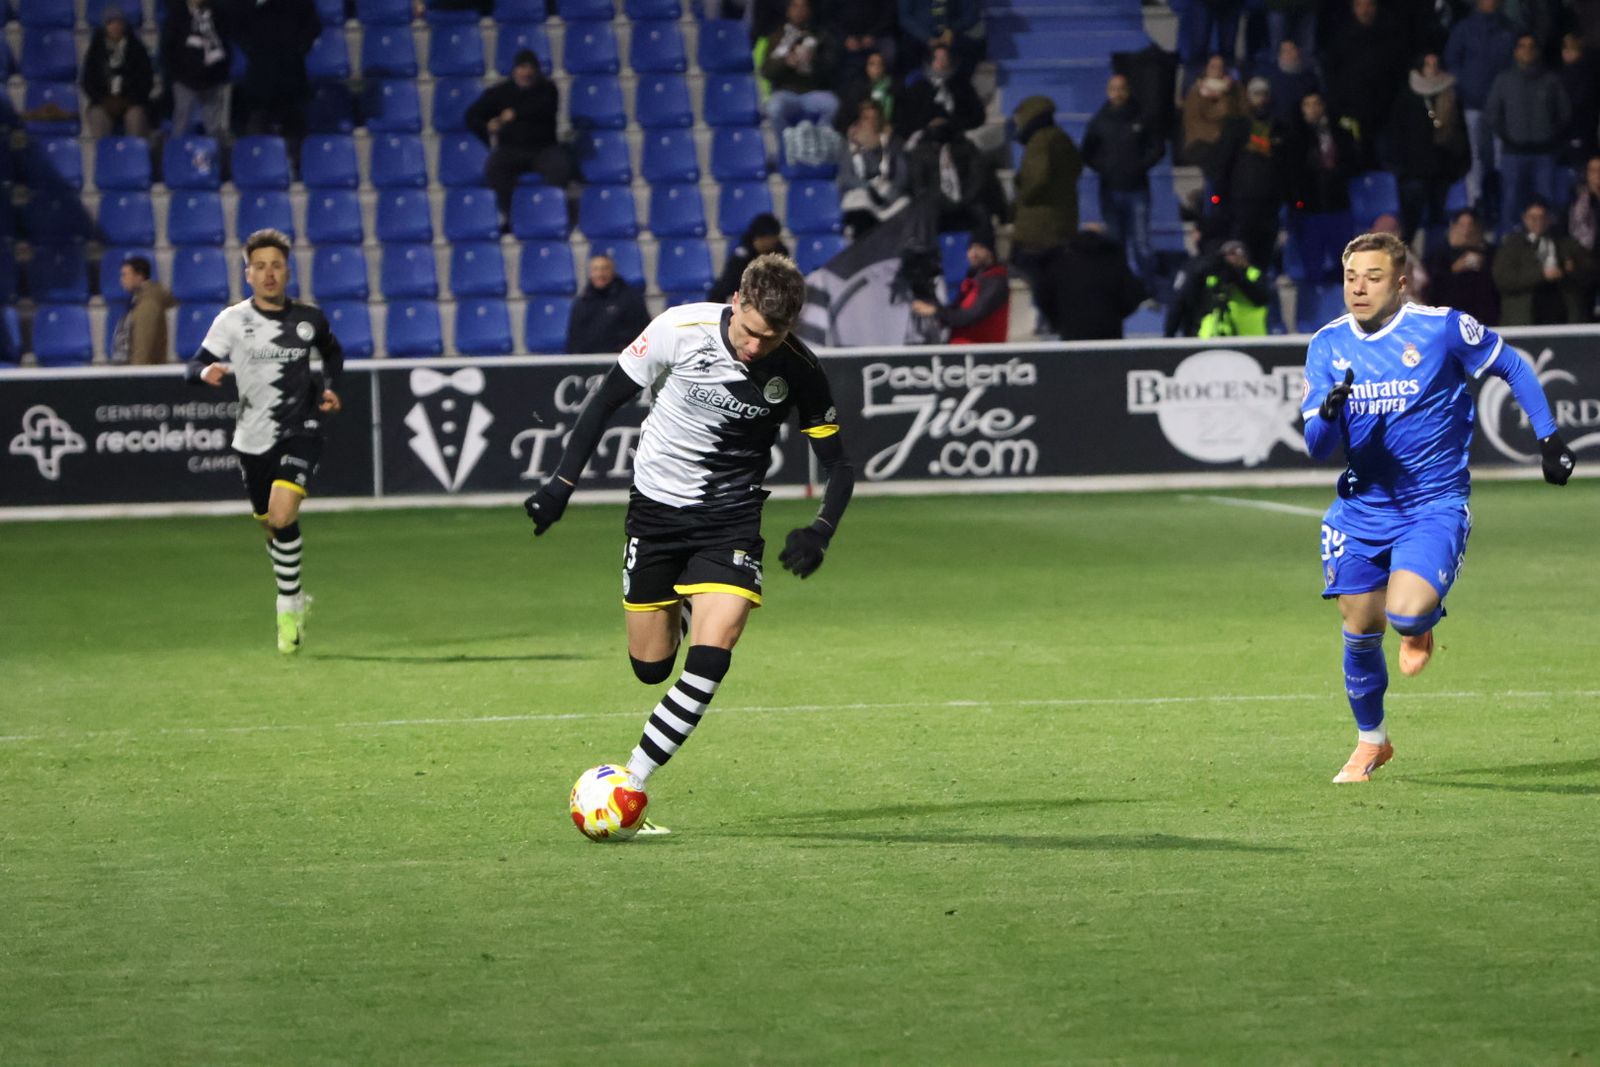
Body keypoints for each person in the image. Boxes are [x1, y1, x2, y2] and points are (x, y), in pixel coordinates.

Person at [522, 254, 856, 832]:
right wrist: (560, 486)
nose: (756, 347)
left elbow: (839, 465)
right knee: (650, 671)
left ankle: (632, 781)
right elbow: (604, 402)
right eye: (751, 331)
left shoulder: (800, 369)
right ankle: (681, 600)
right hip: (653, 512)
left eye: (771, 337)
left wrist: (821, 529)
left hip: (730, 517)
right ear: (736, 301)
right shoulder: (679, 328)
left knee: (715, 648)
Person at [1301, 230, 1576, 784]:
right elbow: (1316, 446)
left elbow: (1514, 367)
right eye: (1351, 277)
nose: (1359, 287)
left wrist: (1548, 438)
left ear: (1400, 283)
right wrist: (1327, 415)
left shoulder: (1441, 328)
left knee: (1404, 613)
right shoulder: (1327, 345)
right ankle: (1371, 742)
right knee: (1359, 627)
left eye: (1373, 278)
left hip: (1433, 503)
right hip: (1361, 509)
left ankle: (1419, 622)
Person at [187, 229, 345, 655]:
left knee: (281, 512)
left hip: (301, 429)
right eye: (260, 266)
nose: (269, 273)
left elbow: (332, 353)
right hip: (252, 438)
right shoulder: (232, 321)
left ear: (287, 270)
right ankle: (296, 596)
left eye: (276, 265)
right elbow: (195, 364)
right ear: (248, 273)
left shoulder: (309, 319)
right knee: (271, 526)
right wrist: (206, 372)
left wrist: (329, 387)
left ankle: (287, 608)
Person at [466, 49, 572, 229]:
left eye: (531, 68)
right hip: (511, 150)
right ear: (515, 69)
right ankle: (511, 217)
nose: (527, 72)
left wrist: (514, 114)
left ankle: (552, 216)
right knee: (495, 168)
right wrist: (487, 126)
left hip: (543, 149)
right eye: (522, 67)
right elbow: (472, 116)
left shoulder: (547, 89)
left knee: (560, 167)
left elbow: (543, 108)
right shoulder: (499, 92)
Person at [1082, 74, 1164, 290]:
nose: (1117, 93)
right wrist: (1106, 167)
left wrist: (1140, 165)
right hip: (1110, 191)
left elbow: (1157, 148)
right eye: (1113, 89)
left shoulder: (1143, 118)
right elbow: (1087, 153)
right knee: (1115, 243)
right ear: (1108, 92)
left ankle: (1149, 289)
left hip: (1137, 190)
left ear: (1128, 91)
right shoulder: (1099, 121)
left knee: (1142, 244)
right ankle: (1117, 288)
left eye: (1121, 89)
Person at [1010, 94, 1082, 338]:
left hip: (1038, 227)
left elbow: (1036, 180)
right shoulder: (1062, 138)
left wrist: (1021, 193)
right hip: (1062, 222)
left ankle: (1048, 318)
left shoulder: (1040, 142)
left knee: (1030, 269)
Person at [1487, 33, 1571, 239]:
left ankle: (1550, 243)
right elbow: (1492, 113)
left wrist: (1551, 136)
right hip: (1513, 152)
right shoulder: (1504, 79)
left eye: (1531, 46)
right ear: (1515, 51)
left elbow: (1564, 112)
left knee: (1547, 200)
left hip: (1544, 152)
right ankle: (1508, 242)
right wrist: (1508, 136)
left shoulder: (1551, 80)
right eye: (1522, 46)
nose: (1527, 50)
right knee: (1511, 200)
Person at [1444, 0, 1520, 219]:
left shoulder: (1509, 28)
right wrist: (1467, 87)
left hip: (1502, 107)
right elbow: (1452, 61)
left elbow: (1514, 64)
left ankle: (1501, 203)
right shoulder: (1464, 28)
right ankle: (1476, 202)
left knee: (1500, 156)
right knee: (1475, 156)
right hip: (1473, 104)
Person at [1385, 53, 1471, 240]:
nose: (1432, 67)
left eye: (1435, 63)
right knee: (1411, 224)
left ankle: (1436, 262)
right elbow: (1396, 133)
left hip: (1443, 171)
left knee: (1438, 223)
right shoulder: (1407, 95)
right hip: (1414, 173)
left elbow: (1460, 132)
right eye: (1428, 64)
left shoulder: (1450, 93)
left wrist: (1461, 164)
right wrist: (1401, 169)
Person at [1211, 77, 1287, 267]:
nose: (1260, 99)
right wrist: (1220, 195)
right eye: (1256, 94)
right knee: (1241, 251)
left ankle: (1260, 288)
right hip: (1241, 202)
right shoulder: (1236, 126)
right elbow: (1223, 162)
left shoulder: (1279, 129)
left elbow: (1285, 165)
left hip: (1269, 204)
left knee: (1264, 254)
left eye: (1264, 94)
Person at [231, 0, 319, 159]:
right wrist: (252, 49)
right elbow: (235, 25)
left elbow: (312, 26)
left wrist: (297, 49)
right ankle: (259, 167)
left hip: (291, 75)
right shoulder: (247, 6)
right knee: (258, 127)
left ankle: (299, 168)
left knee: (295, 129)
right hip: (260, 77)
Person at [1491, 196, 1594, 324]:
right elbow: (1503, 279)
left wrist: (1572, 270)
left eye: (1543, 217)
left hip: (1563, 318)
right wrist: (1541, 275)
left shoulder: (1567, 244)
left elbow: (1590, 271)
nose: (1538, 221)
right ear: (1524, 219)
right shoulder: (1511, 246)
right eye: (1533, 218)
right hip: (1524, 319)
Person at [910, 227, 1008, 343]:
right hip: (961, 349)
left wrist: (935, 311)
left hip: (981, 354)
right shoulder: (972, 280)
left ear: (991, 252)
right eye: (970, 248)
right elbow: (955, 313)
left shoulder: (996, 282)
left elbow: (970, 316)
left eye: (980, 248)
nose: (973, 253)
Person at [1055, 222, 1147, 340]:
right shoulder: (1114, 261)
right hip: (1109, 332)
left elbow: (1044, 295)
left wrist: (1060, 320)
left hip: (1071, 335)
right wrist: (1116, 314)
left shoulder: (1062, 263)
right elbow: (1134, 294)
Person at [759, 0, 841, 132]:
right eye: (795, 6)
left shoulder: (821, 36)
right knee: (774, 108)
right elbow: (766, 71)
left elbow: (830, 68)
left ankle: (818, 147)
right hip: (785, 93)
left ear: (809, 11)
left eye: (803, 6)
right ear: (788, 11)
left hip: (812, 93)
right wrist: (786, 62)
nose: (799, 11)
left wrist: (812, 61)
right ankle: (786, 147)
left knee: (832, 104)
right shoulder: (776, 37)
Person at [1164, 238, 1271, 337]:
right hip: (1215, 333)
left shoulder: (1254, 275)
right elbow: (1186, 302)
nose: (1229, 259)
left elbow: (1261, 298)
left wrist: (1236, 277)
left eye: (1232, 254)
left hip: (1250, 336)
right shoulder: (1213, 277)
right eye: (1225, 255)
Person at [838, 99, 910, 237]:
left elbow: (902, 177)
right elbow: (846, 178)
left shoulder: (893, 143)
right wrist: (869, 187)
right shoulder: (850, 145)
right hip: (862, 198)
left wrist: (880, 146)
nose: (870, 122)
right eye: (866, 118)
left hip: (887, 198)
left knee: (905, 203)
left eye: (874, 118)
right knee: (859, 199)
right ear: (860, 120)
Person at [161, 0, 231, 140]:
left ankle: (214, 158)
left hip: (212, 79)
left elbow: (225, 45)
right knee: (181, 125)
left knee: (213, 128)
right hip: (184, 80)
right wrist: (176, 75)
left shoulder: (217, 15)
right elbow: (168, 49)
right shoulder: (177, 16)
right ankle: (177, 157)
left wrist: (220, 73)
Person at [82, 7, 154, 139]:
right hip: (103, 102)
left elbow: (146, 81)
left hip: (132, 102)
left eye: (118, 23)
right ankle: (104, 156)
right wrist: (103, 100)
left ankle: (134, 155)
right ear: (105, 26)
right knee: (97, 115)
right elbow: (88, 82)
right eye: (110, 23)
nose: (115, 27)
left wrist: (128, 101)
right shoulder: (95, 50)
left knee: (135, 116)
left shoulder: (137, 49)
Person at [1423, 209, 1501, 324]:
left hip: (1482, 319)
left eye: (1471, 225)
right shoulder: (1438, 256)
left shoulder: (1490, 253)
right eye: (1462, 225)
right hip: (1449, 319)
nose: (1467, 230)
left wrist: (1484, 266)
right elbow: (1433, 288)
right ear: (1453, 227)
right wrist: (1454, 269)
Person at [566, 254, 652, 355]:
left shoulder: (631, 299)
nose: (600, 274)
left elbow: (643, 334)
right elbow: (574, 340)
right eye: (595, 269)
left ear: (613, 271)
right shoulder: (582, 302)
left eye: (604, 269)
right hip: (588, 363)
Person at [895, 43, 984, 138]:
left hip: (955, 139)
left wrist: (951, 123)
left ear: (950, 60)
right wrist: (927, 124)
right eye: (936, 58)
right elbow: (905, 118)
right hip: (923, 140)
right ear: (931, 61)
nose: (940, 62)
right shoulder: (919, 86)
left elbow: (978, 116)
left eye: (944, 58)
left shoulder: (962, 86)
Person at [1180, 54, 1246, 172]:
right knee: (1217, 165)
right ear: (1206, 69)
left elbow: (1244, 114)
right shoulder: (1195, 92)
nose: (1217, 70)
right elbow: (1214, 115)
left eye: (1220, 67)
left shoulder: (1236, 90)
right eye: (1213, 66)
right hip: (1201, 142)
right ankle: (1213, 191)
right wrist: (1223, 95)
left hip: (1229, 143)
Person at [110, 256, 177, 365]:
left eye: (125, 275)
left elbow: (142, 350)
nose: (122, 280)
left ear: (139, 276)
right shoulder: (141, 301)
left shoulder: (148, 305)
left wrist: (136, 376)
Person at [709, 213, 788, 303]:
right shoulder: (742, 255)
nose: (773, 241)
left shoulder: (780, 252)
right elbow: (727, 284)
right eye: (769, 238)